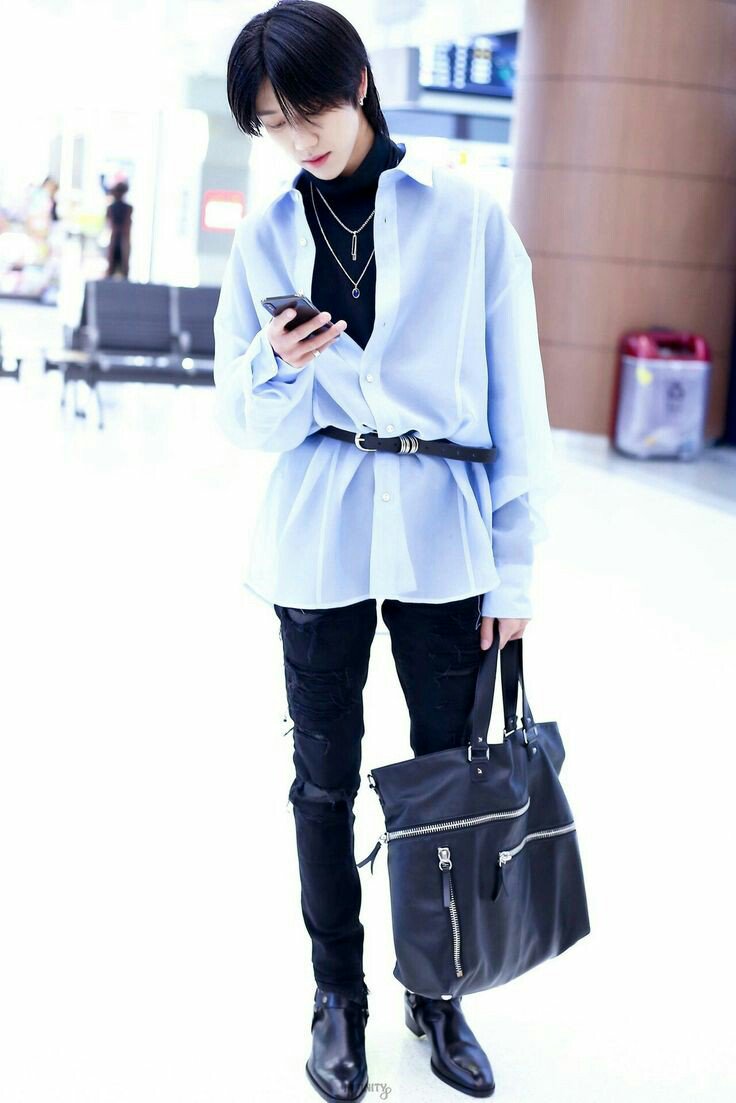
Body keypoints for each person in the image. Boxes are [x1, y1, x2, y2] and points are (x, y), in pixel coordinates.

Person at [214, 2, 558, 1100]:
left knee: (444, 778)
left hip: (445, 527)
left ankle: (436, 990)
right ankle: (338, 998)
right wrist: (274, 364)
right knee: (321, 782)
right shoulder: (266, 235)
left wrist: (514, 568)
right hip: (318, 526)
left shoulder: (467, 217)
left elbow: (519, 405)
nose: (296, 138)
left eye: (306, 109)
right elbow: (244, 420)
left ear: (358, 81)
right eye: (271, 123)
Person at [105, 181, 132, 278]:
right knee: (113, 267)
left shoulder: (127, 208)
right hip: (116, 240)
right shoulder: (111, 208)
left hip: (122, 240)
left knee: (123, 268)